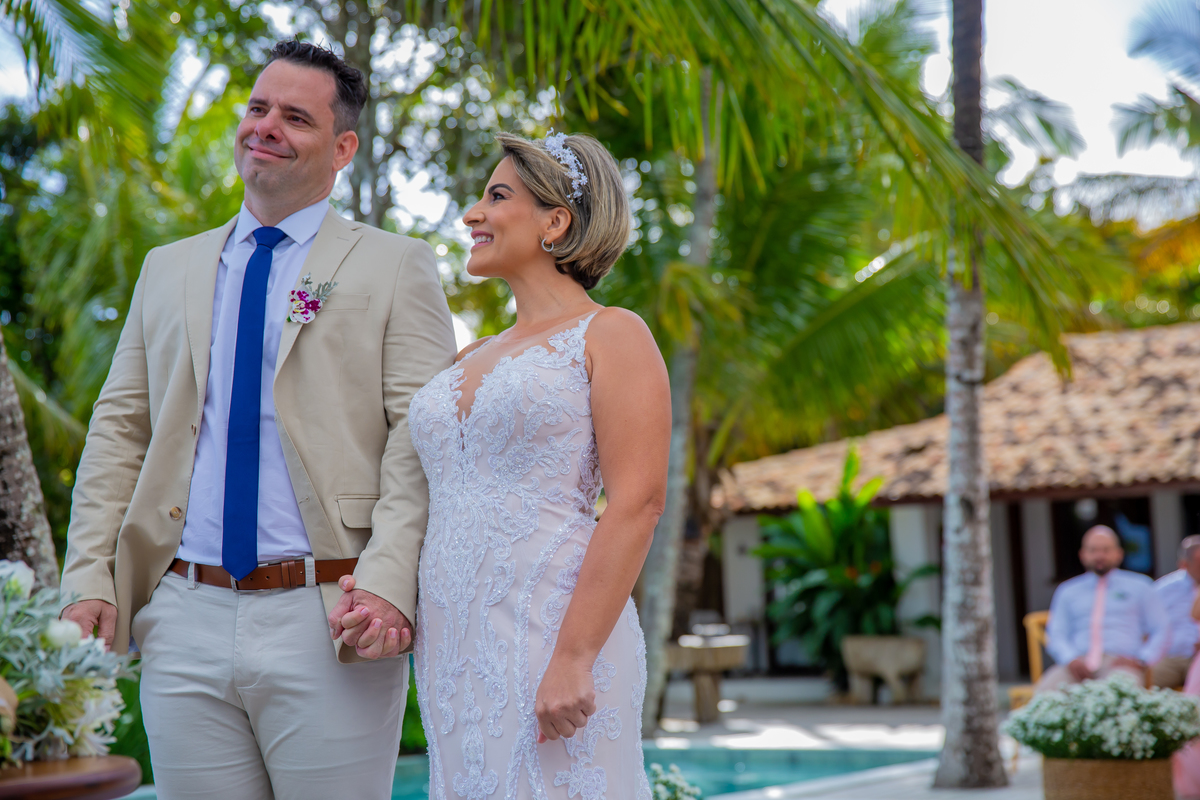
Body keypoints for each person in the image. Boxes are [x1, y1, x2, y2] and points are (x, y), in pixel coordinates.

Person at [58, 41, 456, 799]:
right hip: (181, 617)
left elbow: (422, 436)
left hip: (332, 614)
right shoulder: (167, 267)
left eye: (295, 117)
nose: (266, 126)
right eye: (258, 107)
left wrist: (389, 581)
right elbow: (119, 430)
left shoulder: (395, 265)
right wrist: (89, 578)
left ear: (342, 148)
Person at [338, 129, 670, 798]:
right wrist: (388, 599)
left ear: (556, 221)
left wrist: (573, 658)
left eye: (496, 196)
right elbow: (427, 500)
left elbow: (637, 502)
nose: (471, 214)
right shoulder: (471, 356)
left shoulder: (612, 333)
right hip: (454, 651)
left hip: (555, 635)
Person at [1037, 525, 1168, 692]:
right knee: (1045, 696)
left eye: (1106, 550)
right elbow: (1056, 633)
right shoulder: (1067, 591)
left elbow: (1161, 628)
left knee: (1120, 696)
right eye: (1093, 550)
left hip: (1120, 664)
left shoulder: (1141, 587)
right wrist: (1070, 659)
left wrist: (1143, 659)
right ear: (1082, 555)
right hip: (1077, 664)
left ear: (1119, 553)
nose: (1099, 555)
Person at [1152, 536, 1200, 688]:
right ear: (1183, 564)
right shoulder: (1163, 589)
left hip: (1197, 658)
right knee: (1146, 683)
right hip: (1171, 657)